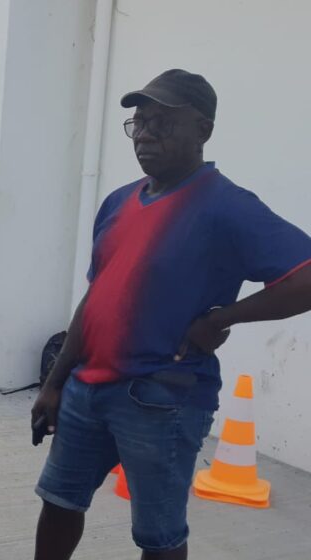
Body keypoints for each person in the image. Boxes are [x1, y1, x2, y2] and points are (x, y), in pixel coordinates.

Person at [30, 69, 311, 560]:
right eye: (138, 123)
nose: (144, 135)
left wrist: (221, 319)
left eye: (161, 122)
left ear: (202, 130)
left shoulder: (226, 206)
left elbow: (304, 278)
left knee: (158, 537)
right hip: (86, 390)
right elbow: (95, 298)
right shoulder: (119, 202)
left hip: (161, 397)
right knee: (58, 503)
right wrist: (55, 381)